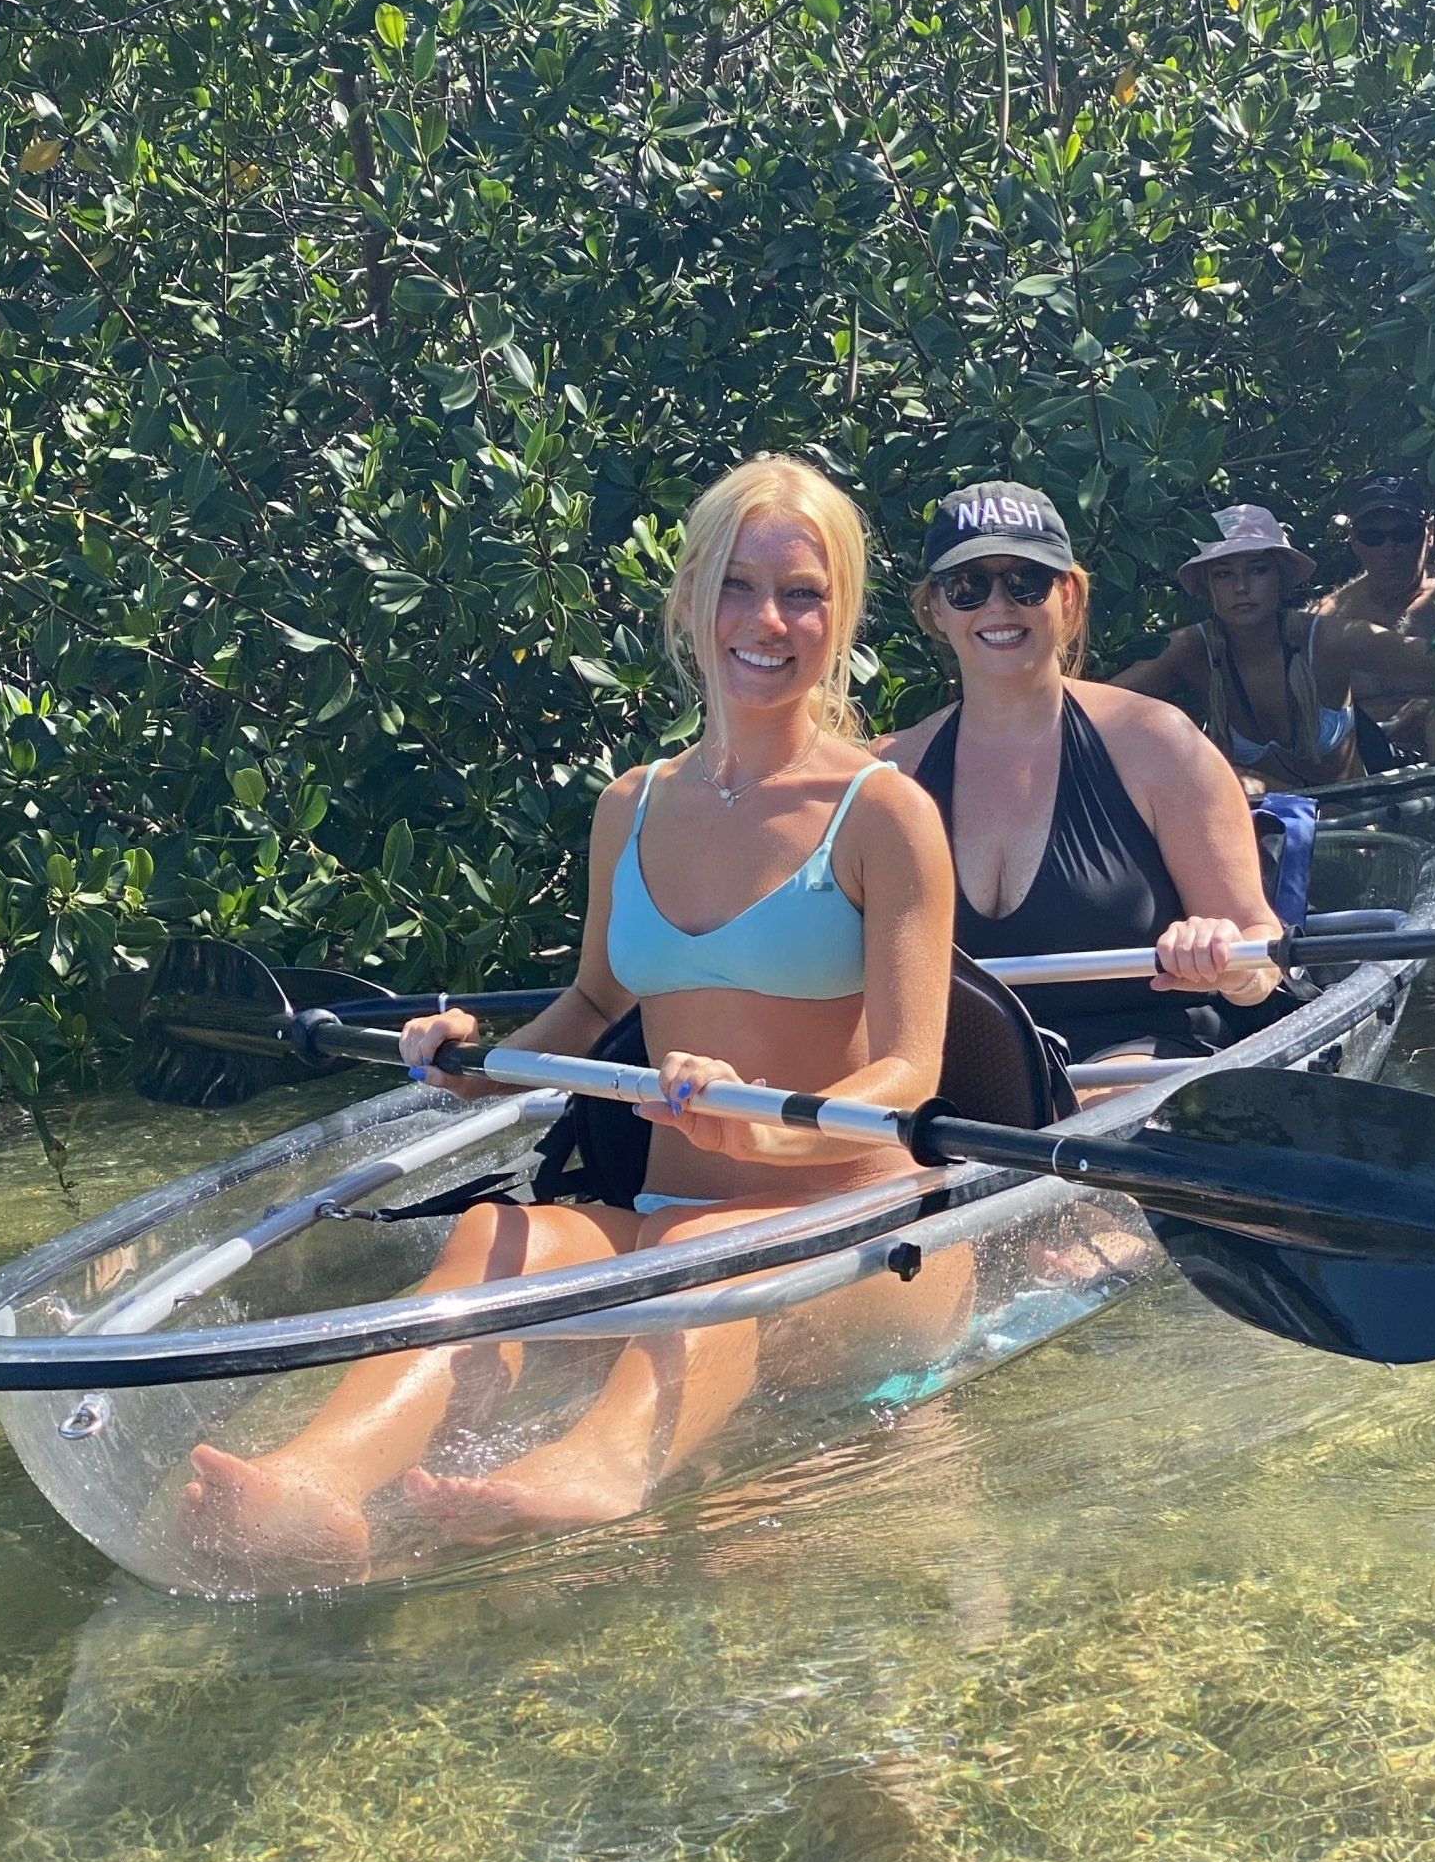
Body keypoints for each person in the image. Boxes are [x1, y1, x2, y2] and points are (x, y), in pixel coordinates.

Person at [180, 457, 958, 1581]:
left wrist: (770, 1134)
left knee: (703, 1248)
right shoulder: (630, 805)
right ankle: (314, 1484)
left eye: (804, 593)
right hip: (671, 1216)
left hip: (861, 1230)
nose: (768, 621)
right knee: (493, 1233)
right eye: (739, 586)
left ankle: (606, 1465)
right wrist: (478, 1067)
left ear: (839, 618)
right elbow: (595, 1005)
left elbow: (912, 1080)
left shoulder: (886, 811)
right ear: (691, 597)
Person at [877, 480, 1284, 1072]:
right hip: (966, 1082)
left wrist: (1225, 956)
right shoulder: (892, 770)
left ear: (1067, 595)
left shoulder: (1157, 744)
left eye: (1025, 582)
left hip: (1140, 1060)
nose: (999, 605)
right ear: (935, 608)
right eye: (968, 585)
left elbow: (1263, 959)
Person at [1111, 504, 1435, 794]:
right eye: (1224, 574)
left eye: (1258, 570)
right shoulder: (1192, 650)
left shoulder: (1329, 640)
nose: (1241, 587)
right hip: (1259, 844)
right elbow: (1091, 707)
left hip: (1356, 833)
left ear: (1281, 579)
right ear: (1207, 587)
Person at [1319, 472, 1435, 765]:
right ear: (1354, 541)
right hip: (1356, 771)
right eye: (1373, 537)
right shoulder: (1330, 616)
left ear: (1430, 531)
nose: (1390, 549)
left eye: (1404, 533)